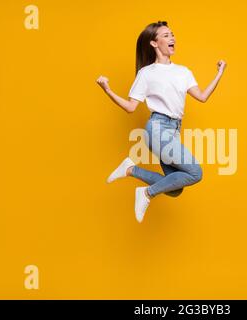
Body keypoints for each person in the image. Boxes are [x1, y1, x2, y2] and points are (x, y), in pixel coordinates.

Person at [96, 20, 226, 223]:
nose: (172, 38)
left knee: (175, 189)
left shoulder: (183, 71)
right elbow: (131, 107)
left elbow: (201, 97)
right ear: (154, 43)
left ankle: (131, 169)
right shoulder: (147, 74)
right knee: (195, 172)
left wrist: (219, 73)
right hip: (157, 129)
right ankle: (146, 193)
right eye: (166, 35)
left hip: (173, 131)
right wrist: (107, 89)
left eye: (172, 34)